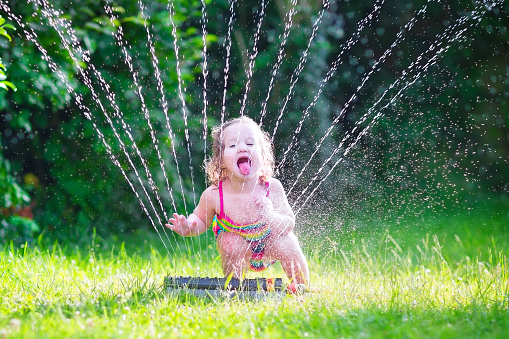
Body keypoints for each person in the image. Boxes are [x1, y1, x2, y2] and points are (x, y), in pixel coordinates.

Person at [166, 116, 309, 284]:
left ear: (263, 154)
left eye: (250, 144)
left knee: (288, 242)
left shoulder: (272, 187)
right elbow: (200, 219)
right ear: (221, 160)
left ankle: (302, 286)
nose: (242, 148)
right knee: (229, 242)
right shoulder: (214, 194)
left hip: (269, 245)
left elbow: (288, 224)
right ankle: (233, 286)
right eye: (233, 145)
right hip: (237, 248)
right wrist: (189, 226)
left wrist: (270, 215)